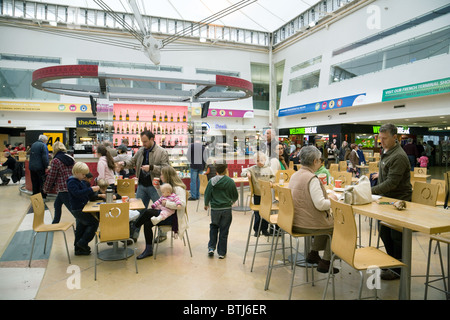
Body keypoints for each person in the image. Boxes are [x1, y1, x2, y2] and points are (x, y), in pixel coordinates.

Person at [288, 146, 339, 273]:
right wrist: (334, 201)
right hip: (306, 224)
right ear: (315, 161)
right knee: (338, 226)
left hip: (293, 221)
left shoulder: (295, 175)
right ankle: (326, 262)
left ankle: (314, 253)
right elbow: (320, 204)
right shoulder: (312, 179)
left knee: (326, 223)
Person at [371, 123, 412, 280]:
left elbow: (391, 183)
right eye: (380, 138)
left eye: (384, 138)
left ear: (395, 137)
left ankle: (398, 269)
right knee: (384, 232)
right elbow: (387, 175)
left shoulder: (399, 156)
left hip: (398, 201)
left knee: (396, 236)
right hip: (386, 200)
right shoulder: (387, 150)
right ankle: (393, 263)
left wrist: (370, 191)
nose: (381, 141)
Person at [131, 166, 187, 259]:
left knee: (148, 212)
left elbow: (182, 204)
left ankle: (133, 227)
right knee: (147, 222)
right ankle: (148, 249)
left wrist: (167, 203)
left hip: (174, 217)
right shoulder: (169, 186)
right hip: (166, 213)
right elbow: (164, 197)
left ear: (167, 175)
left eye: (162, 174)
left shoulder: (178, 188)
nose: (160, 176)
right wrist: (158, 189)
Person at [118, 130, 169, 210]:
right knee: (138, 211)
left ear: (152, 139)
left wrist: (151, 168)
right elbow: (132, 162)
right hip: (141, 185)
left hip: (156, 186)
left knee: (162, 210)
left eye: (145, 141)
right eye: (142, 142)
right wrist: (124, 163)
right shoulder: (141, 150)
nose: (143, 144)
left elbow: (166, 169)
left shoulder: (162, 152)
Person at [204, 162, 238, 259]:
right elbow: (234, 194)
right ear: (226, 170)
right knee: (224, 230)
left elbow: (207, 193)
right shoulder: (230, 181)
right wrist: (232, 201)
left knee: (214, 227)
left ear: (216, 170)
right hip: (226, 209)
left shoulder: (211, 181)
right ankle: (221, 253)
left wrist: (206, 204)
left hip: (215, 209)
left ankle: (211, 247)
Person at [67, 162, 100, 255]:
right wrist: (91, 190)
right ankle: (82, 243)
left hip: (81, 207)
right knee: (93, 223)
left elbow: (86, 193)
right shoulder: (72, 182)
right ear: (77, 172)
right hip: (78, 208)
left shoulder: (79, 181)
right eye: (83, 174)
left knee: (81, 227)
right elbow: (77, 193)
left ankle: (78, 248)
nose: (84, 176)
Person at [242, 152, 275, 236]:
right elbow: (243, 172)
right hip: (257, 194)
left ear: (265, 160)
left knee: (266, 212)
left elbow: (273, 176)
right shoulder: (252, 169)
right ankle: (257, 229)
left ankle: (264, 229)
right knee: (257, 212)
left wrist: (271, 181)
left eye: (261, 160)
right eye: (257, 160)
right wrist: (247, 173)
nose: (259, 162)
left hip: (266, 194)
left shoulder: (268, 169)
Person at [43, 142, 75, 224]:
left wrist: (46, 188)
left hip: (63, 188)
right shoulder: (70, 158)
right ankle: (55, 223)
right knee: (57, 204)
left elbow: (51, 177)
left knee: (74, 210)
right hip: (71, 185)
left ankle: (82, 225)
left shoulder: (56, 160)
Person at [29, 135, 49, 199]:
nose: (46, 142)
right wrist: (46, 165)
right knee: (41, 182)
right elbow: (44, 157)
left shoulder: (33, 144)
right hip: (40, 167)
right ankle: (42, 196)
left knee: (34, 182)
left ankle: (35, 196)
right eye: (46, 141)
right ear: (44, 140)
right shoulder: (43, 145)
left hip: (32, 167)